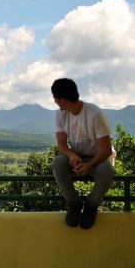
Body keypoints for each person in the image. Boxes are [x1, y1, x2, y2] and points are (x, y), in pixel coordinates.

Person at [50, 78, 115, 229]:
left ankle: (91, 206)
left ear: (62, 100)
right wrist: (72, 156)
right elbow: (61, 144)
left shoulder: (94, 114)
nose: (55, 102)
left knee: (107, 170)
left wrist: (89, 165)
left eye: (55, 99)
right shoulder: (61, 114)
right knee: (58, 164)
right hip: (76, 158)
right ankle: (74, 203)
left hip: (98, 160)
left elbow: (106, 149)